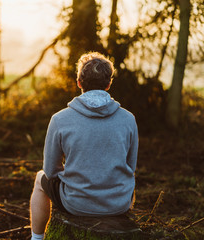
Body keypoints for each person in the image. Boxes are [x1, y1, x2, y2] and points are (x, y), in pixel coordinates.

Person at [29, 52, 139, 240]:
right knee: (129, 181)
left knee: (40, 179)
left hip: (76, 204)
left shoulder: (60, 119)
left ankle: (37, 238)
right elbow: (130, 167)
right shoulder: (128, 119)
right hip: (119, 204)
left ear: (79, 82)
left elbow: (50, 171)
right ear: (108, 84)